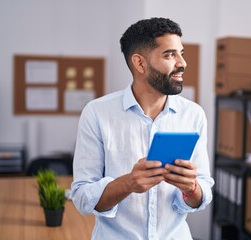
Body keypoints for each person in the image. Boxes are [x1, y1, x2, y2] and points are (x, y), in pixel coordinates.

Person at [71, 17, 214, 240]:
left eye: (181, 53)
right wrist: (127, 183)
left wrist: (191, 188)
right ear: (140, 64)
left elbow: (203, 192)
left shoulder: (193, 115)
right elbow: (81, 196)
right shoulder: (97, 113)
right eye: (170, 54)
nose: (182, 63)